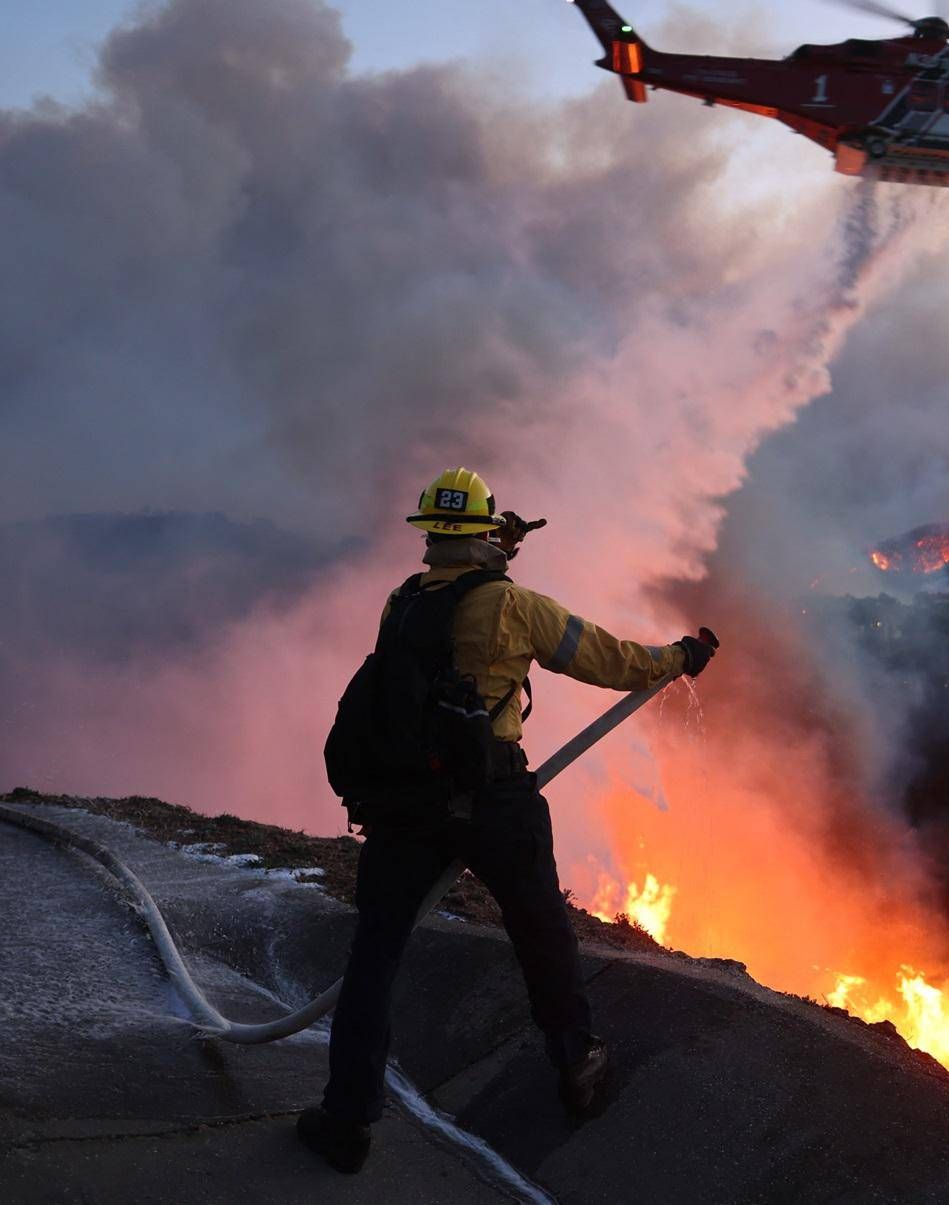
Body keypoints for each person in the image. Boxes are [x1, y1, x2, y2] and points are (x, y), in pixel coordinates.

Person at [300, 467, 716, 1173]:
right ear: (485, 531)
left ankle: (345, 1121)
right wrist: (681, 657)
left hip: (406, 805)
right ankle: (576, 1064)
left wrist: (497, 548)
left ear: (430, 532)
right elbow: (609, 659)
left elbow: (450, 617)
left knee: (373, 958)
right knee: (541, 932)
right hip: (493, 798)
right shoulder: (513, 606)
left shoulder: (400, 602)